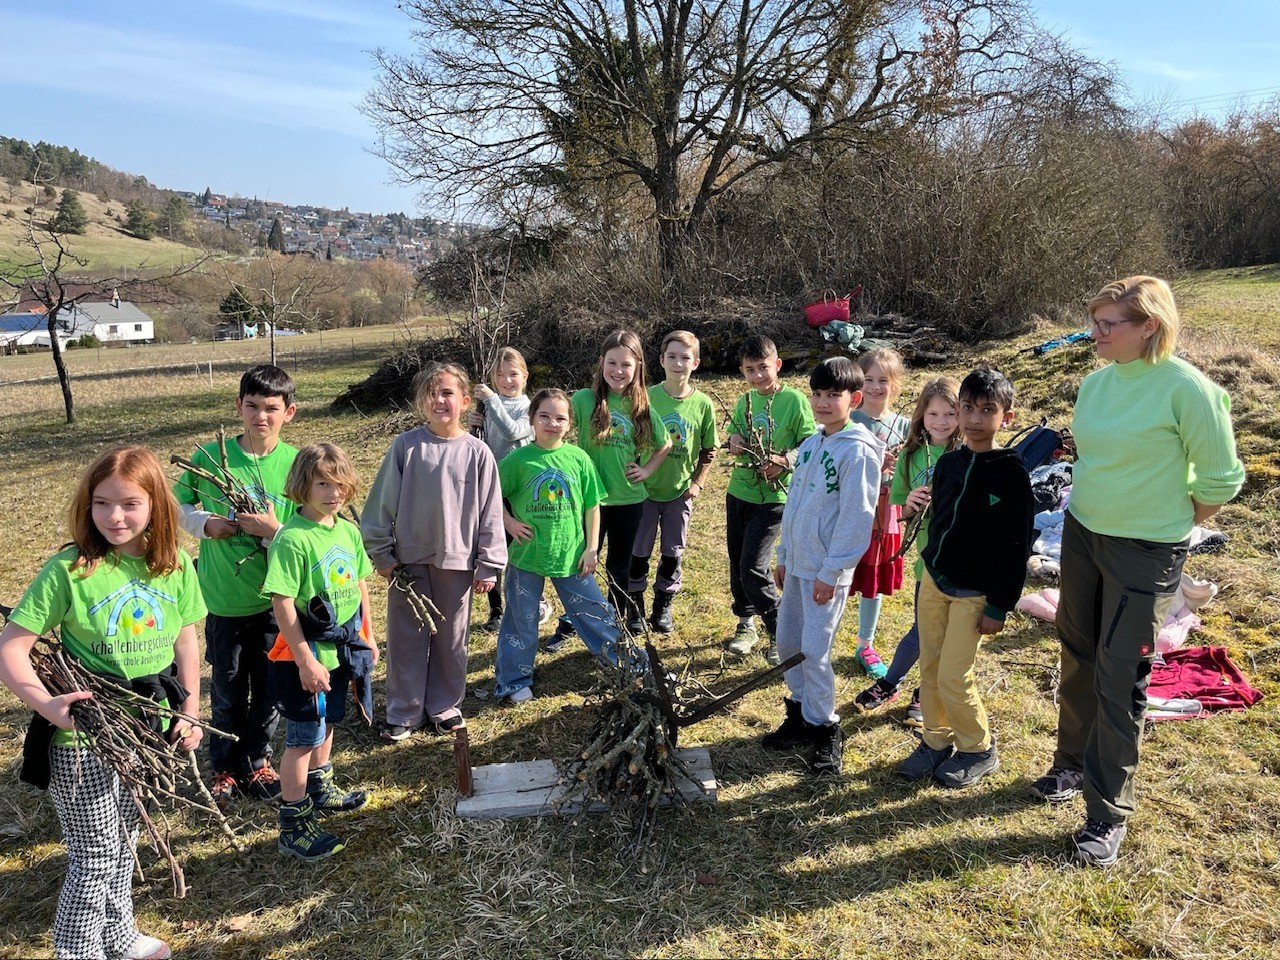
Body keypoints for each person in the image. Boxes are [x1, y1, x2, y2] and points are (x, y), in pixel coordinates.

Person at [1031, 276, 1244, 867]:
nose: (1093, 334)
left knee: (1121, 674)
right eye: (1093, 322)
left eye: (1107, 325)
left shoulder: (1189, 390)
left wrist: (1174, 519)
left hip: (1146, 549)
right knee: (1078, 651)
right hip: (1082, 536)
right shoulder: (1096, 385)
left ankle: (1106, 812)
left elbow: (1223, 478)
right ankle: (1070, 765)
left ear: (1149, 325)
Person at [0, 446, 205, 960]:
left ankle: (119, 935)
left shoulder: (174, 566)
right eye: (102, 503)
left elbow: (185, 638)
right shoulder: (72, 570)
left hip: (143, 733)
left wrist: (190, 711)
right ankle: (79, 952)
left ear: (157, 504)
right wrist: (45, 704)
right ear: (87, 507)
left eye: (131, 504)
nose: (115, 516)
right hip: (81, 739)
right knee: (93, 857)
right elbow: (12, 646)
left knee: (123, 842)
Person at [898, 364, 1033, 790]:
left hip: (976, 593)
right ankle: (935, 741)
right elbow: (938, 521)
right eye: (968, 408)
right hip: (936, 582)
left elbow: (1016, 546)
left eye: (986, 410)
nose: (974, 419)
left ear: (1006, 417)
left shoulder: (1012, 474)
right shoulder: (950, 464)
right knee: (931, 668)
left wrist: (999, 605)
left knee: (955, 674)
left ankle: (977, 748)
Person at [362, 363, 507, 741]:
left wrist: (488, 563)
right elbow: (380, 506)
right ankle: (404, 711)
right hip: (407, 564)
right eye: (431, 393)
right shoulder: (407, 447)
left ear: (464, 400)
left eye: (447, 393)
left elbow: (491, 511)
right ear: (421, 402)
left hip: (458, 563)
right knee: (406, 637)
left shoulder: (478, 453)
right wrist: (382, 554)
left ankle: (444, 705)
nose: (439, 400)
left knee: (451, 637)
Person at [174, 364, 297, 808]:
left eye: (271, 408)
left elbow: (309, 533)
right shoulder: (210, 457)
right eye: (252, 406)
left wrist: (271, 530)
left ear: (289, 412)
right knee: (226, 686)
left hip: (275, 600)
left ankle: (256, 760)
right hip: (223, 598)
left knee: (267, 688)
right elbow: (175, 504)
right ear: (238, 407)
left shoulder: (296, 464)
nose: (260, 416)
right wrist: (205, 523)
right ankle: (223, 764)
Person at [761, 358, 881, 776]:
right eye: (818, 394)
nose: (824, 402)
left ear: (855, 399)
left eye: (834, 395)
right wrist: (782, 556)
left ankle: (825, 727)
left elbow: (855, 517)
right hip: (797, 566)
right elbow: (794, 505)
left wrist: (832, 572)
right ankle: (798, 714)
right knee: (789, 644)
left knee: (815, 651)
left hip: (825, 573)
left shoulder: (858, 451)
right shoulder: (812, 445)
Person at [263, 443, 374, 861]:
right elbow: (283, 602)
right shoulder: (292, 539)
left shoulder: (345, 530)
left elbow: (360, 583)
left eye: (339, 483)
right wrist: (306, 659)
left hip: (342, 650)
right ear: (301, 485)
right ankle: (294, 823)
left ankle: (320, 788)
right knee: (302, 738)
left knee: (328, 723)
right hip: (303, 658)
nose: (333, 492)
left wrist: (368, 635)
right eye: (322, 483)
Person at [492, 388, 626, 702]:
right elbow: (489, 497)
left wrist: (592, 548)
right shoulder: (517, 461)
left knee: (597, 615)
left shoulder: (578, 458)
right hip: (527, 556)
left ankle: (630, 665)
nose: (553, 423)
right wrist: (509, 522)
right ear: (531, 419)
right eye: (545, 416)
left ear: (570, 423)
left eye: (560, 418)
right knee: (520, 621)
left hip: (572, 556)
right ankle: (513, 682)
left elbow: (593, 505)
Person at [854, 377, 962, 726]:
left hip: (961, 562)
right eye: (933, 413)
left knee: (945, 634)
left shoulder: (965, 456)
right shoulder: (913, 454)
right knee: (923, 627)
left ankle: (923, 693)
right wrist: (912, 502)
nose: (941, 421)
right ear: (921, 416)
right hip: (927, 560)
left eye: (950, 413)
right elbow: (899, 498)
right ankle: (890, 683)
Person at [565, 329, 670, 630]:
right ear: (601, 363)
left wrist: (647, 470)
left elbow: (664, 444)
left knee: (618, 568)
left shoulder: (641, 407)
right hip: (588, 501)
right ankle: (576, 619)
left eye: (626, 364)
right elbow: (554, 421)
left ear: (638, 366)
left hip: (628, 500)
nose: (618, 371)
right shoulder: (584, 400)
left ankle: (614, 624)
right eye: (612, 363)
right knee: (581, 563)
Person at [724, 335, 816, 663]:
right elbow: (735, 431)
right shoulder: (744, 400)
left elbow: (809, 442)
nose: (758, 375)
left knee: (753, 566)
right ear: (742, 372)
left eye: (763, 367)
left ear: (777, 365)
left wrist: (784, 460)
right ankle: (745, 623)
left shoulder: (793, 400)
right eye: (750, 370)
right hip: (740, 492)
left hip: (774, 498)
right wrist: (734, 437)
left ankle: (780, 628)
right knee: (737, 563)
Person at [628, 330, 718, 634]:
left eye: (685, 357)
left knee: (672, 551)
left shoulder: (703, 404)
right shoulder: (646, 397)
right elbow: (629, 439)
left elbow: (709, 449)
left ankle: (662, 606)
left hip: (679, 492)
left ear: (696, 363)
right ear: (661, 360)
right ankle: (635, 604)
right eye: (672, 357)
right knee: (638, 550)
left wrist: (698, 483)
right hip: (644, 492)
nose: (678, 363)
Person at [466, 346, 540, 632]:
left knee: (519, 548)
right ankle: (496, 609)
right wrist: (475, 424)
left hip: (520, 488)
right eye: (500, 375)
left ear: (525, 376)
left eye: (513, 374)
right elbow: (482, 444)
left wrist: (491, 400)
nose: (507, 380)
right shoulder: (489, 404)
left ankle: (528, 602)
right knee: (492, 548)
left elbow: (513, 431)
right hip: (491, 486)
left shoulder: (529, 408)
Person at [847, 348, 911, 680]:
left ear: (895, 384)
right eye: (868, 379)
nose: (875, 387)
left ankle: (865, 644)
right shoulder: (848, 418)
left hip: (886, 510)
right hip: (850, 507)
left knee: (871, 580)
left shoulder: (905, 425)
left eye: (883, 380)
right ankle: (821, 637)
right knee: (841, 573)